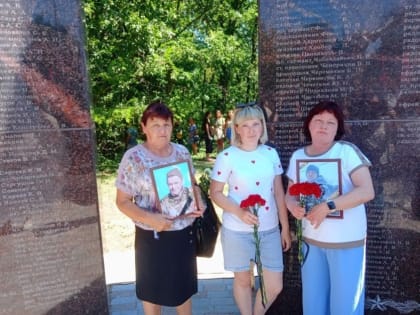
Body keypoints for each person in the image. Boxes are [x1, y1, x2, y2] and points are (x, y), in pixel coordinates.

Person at [285, 100, 375, 315]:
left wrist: (329, 206)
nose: (323, 126)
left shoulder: (347, 152)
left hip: (346, 242)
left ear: (338, 128)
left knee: (345, 307)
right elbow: (290, 193)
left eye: (330, 122)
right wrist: (293, 206)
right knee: (314, 304)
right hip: (312, 242)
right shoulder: (298, 156)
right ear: (309, 125)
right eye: (318, 121)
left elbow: (366, 191)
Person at [115, 101, 204, 315]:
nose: (162, 131)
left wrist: (199, 202)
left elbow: (192, 185)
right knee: (152, 293)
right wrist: (151, 219)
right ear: (144, 127)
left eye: (167, 125)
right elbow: (122, 201)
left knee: (183, 292)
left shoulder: (182, 152)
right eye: (155, 125)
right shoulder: (134, 158)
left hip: (183, 235)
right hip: (151, 237)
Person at [209, 103, 291, 315]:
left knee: (274, 285)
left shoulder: (271, 154)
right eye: (245, 125)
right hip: (237, 230)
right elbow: (215, 192)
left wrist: (284, 227)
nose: (252, 129)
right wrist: (239, 211)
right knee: (244, 281)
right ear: (236, 128)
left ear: (262, 126)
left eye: (256, 124)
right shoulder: (227, 156)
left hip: (269, 228)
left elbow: (279, 192)